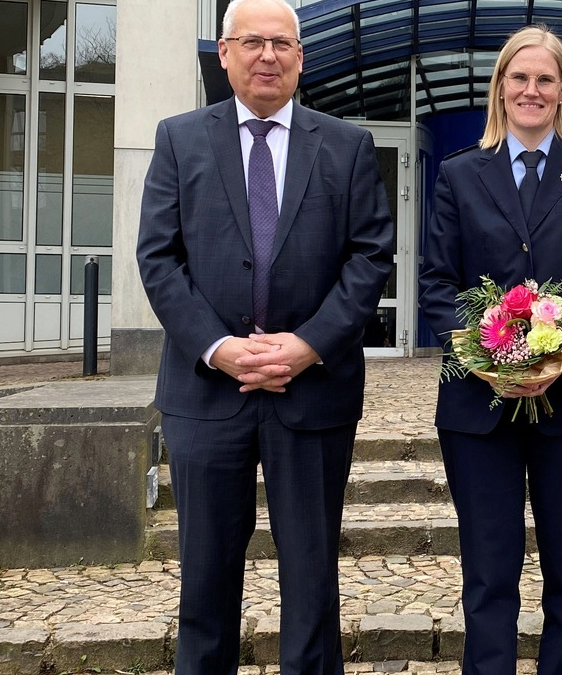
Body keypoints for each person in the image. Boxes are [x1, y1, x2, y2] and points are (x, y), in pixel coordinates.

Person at [136, 0, 393, 672]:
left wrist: (307, 345)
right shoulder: (178, 138)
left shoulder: (346, 146)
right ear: (224, 53)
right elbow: (158, 258)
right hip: (204, 394)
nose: (268, 56)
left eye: (282, 43)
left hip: (312, 395)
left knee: (311, 580)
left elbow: (370, 258)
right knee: (205, 581)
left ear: (302, 58)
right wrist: (220, 349)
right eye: (252, 42)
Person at [417, 25, 562, 675]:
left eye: (545, 79)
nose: (532, 90)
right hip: (476, 409)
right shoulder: (460, 175)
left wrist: (556, 359)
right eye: (520, 78)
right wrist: (492, 361)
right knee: (488, 571)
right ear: (500, 88)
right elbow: (436, 282)